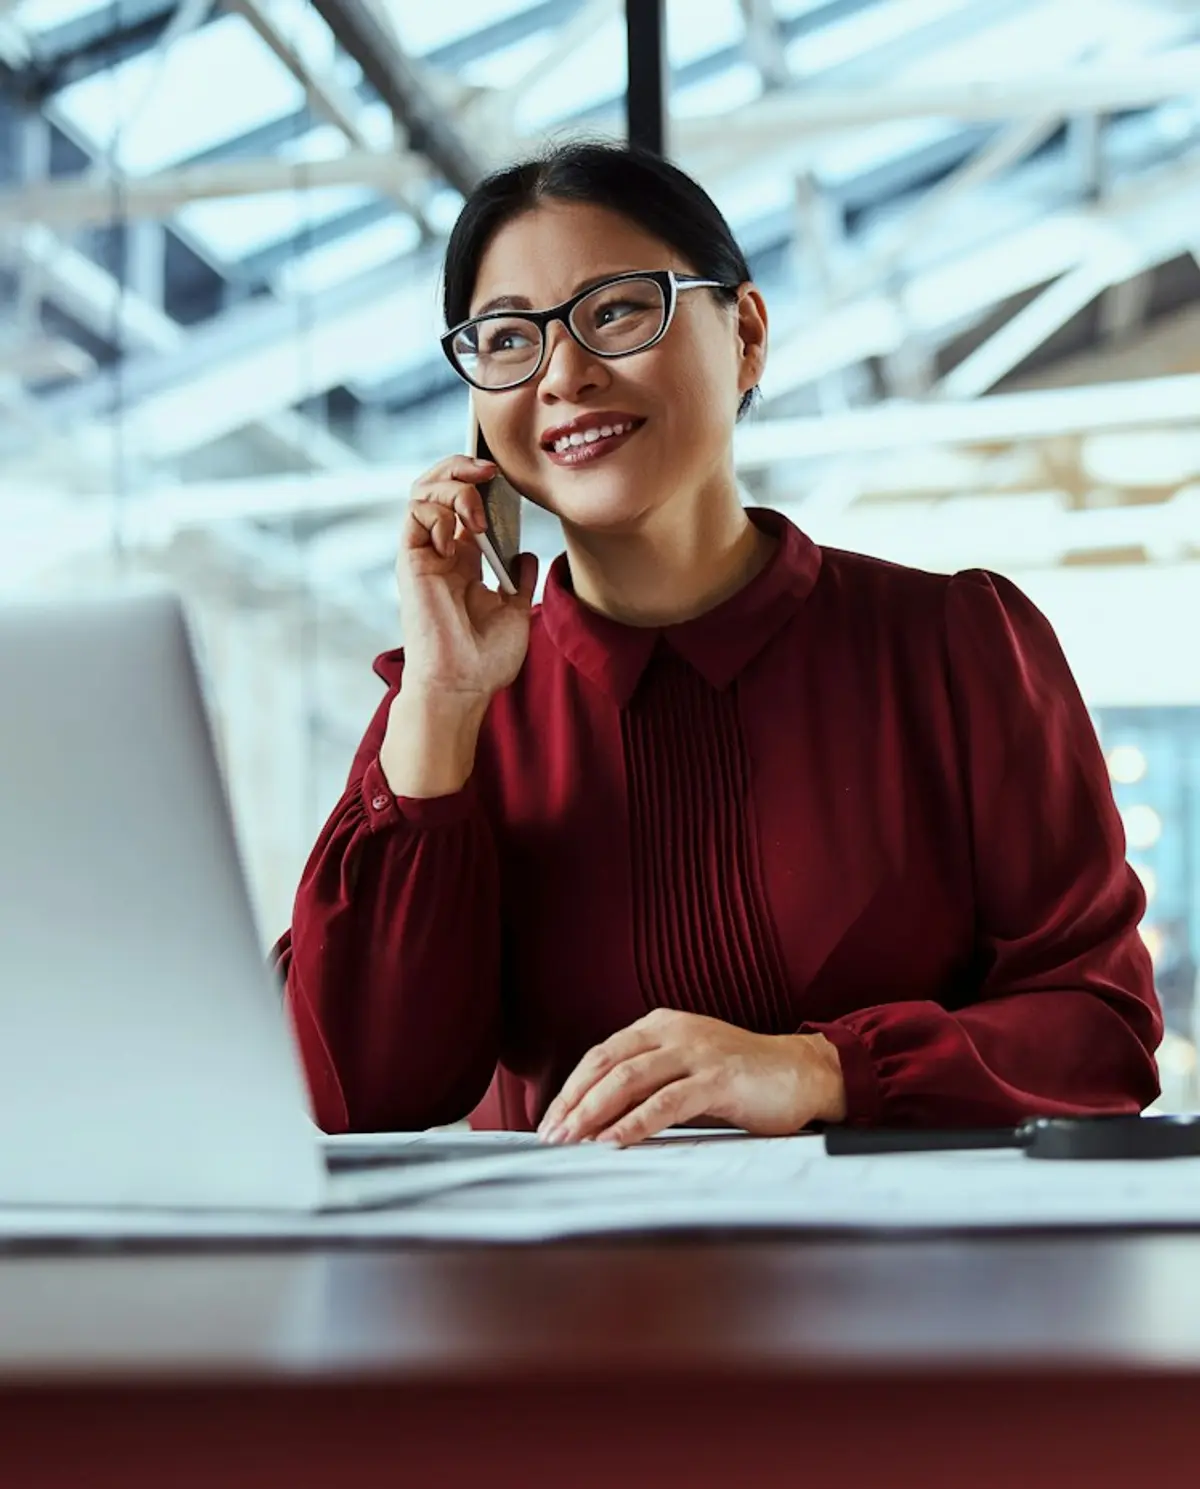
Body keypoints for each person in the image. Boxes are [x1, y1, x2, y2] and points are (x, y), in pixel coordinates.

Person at [273, 141, 1162, 1144]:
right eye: (509, 339)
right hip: (568, 1294)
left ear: (744, 334)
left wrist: (820, 1068)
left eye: (615, 310)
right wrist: (439, 707)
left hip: (918, 1285)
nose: (563, 374)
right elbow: (350, 1098)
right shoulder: (453, 706)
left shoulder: (956, 647)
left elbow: (1100, 1034)